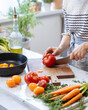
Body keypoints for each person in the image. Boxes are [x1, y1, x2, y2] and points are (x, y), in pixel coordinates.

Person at [43, 0, 88, 71]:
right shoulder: (67, 2)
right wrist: (60, 48)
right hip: (75, 62)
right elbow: (68, 34)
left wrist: (85, 46)